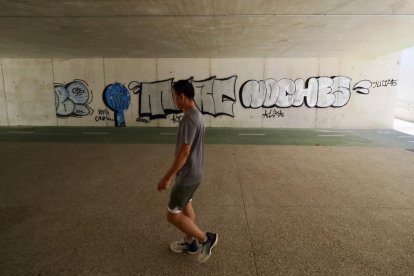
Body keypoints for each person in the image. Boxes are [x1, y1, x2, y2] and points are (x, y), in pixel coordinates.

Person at [157, 79, 218, 263]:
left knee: (173, 215)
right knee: (186, 207)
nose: (174, 100)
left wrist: (166, 178)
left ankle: (205, 239)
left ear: (182, 96)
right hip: (195, 173)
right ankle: (190, 243)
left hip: (188, 175)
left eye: (175, 97)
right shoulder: (197, 114)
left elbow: (184, 153)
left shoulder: (189, 119)